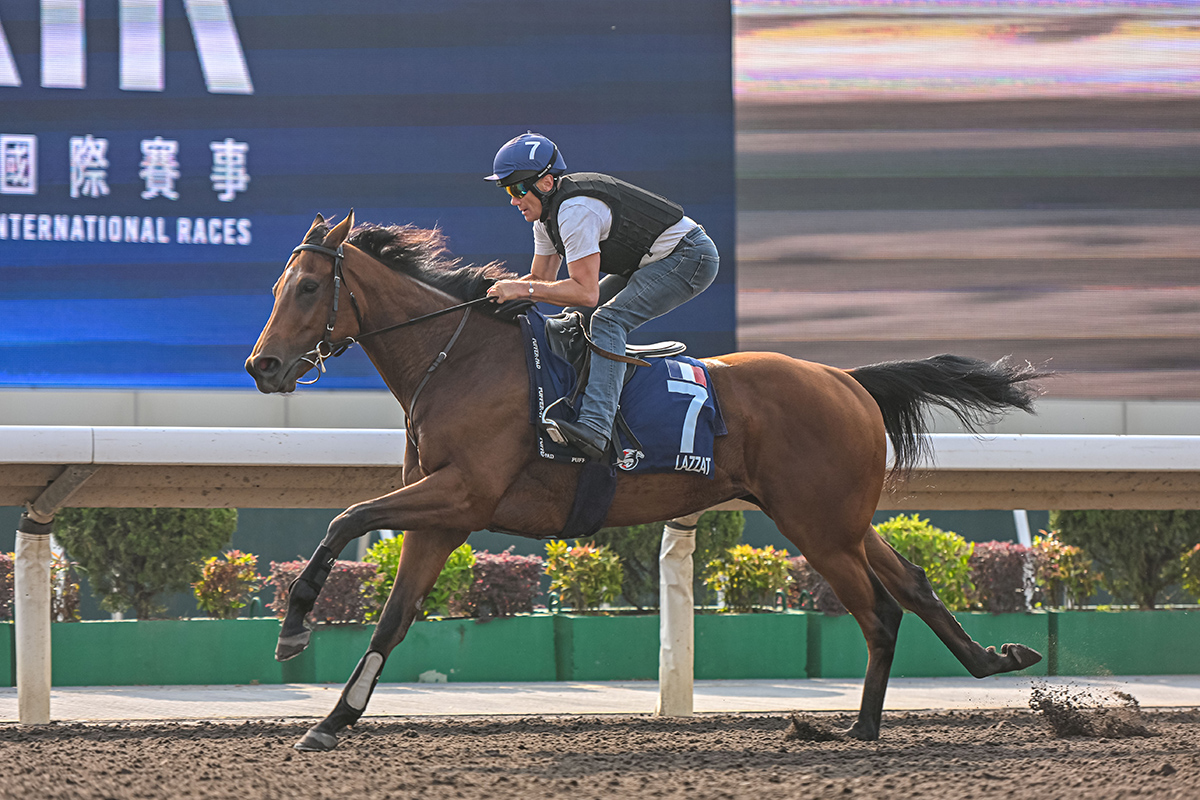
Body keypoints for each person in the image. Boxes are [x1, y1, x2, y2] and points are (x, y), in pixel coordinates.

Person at [485, 132, 719, 460]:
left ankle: (596, 426)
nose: (513, 200)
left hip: (689, 257)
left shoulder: (575, 212)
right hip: (650, 260)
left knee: (608, 320)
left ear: (547, 183)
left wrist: (520, 288)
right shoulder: (545, 219)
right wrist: (492, 299)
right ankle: (577, 398)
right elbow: (541, 281)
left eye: (518, 188)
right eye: (508, 190)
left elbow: (585, 292)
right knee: (574, 321)